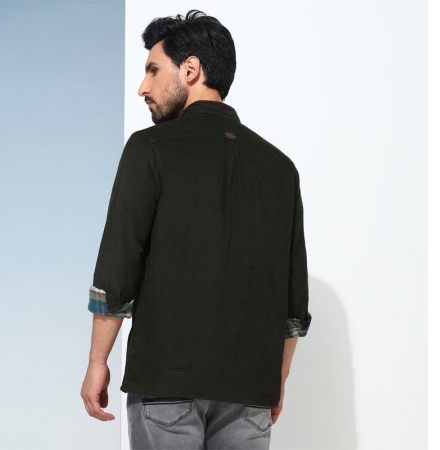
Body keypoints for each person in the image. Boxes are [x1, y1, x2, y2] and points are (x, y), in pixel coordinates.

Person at [80, 9, 312, 450]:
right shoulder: (280, 168)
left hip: (166, 385)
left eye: (153, 70)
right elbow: (293, 303)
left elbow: (117, 267)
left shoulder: (149, 148)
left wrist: (97, 361)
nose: (142, 87)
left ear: (190, 69)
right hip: (251, 390)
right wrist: (276, 380)